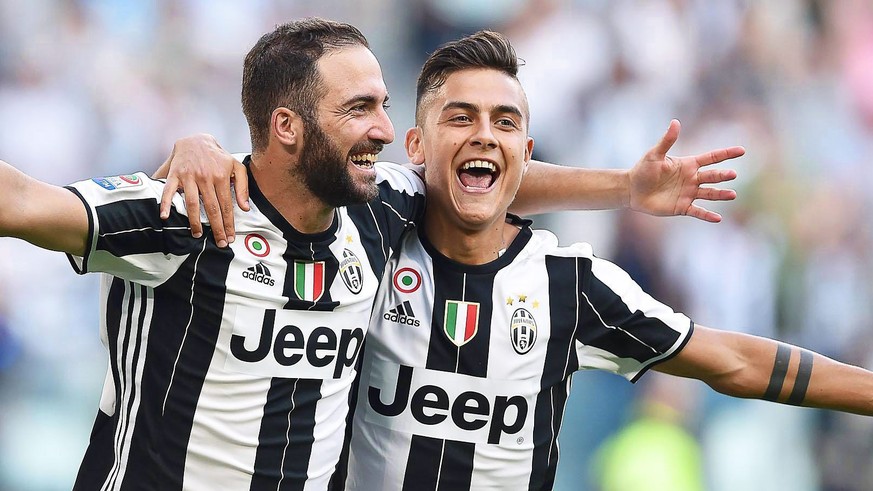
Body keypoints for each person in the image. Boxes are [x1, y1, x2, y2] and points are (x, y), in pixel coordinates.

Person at [0, 18, 741, 491]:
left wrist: (625, 186)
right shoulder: (190, 209)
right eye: (360, 109)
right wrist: (198, 144)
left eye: (384, 106)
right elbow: (22, 202)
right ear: (287, 126)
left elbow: (471, 174)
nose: (386, 131)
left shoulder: (376, 209)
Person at [327, 31, 873, 490]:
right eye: (461, 118)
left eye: (505, 122)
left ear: (527, 149)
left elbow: (734, 361)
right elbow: (289, 191)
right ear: (417, 147)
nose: (485, 136)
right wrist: (235, 168)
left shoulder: (571, 285)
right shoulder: (369, 233)